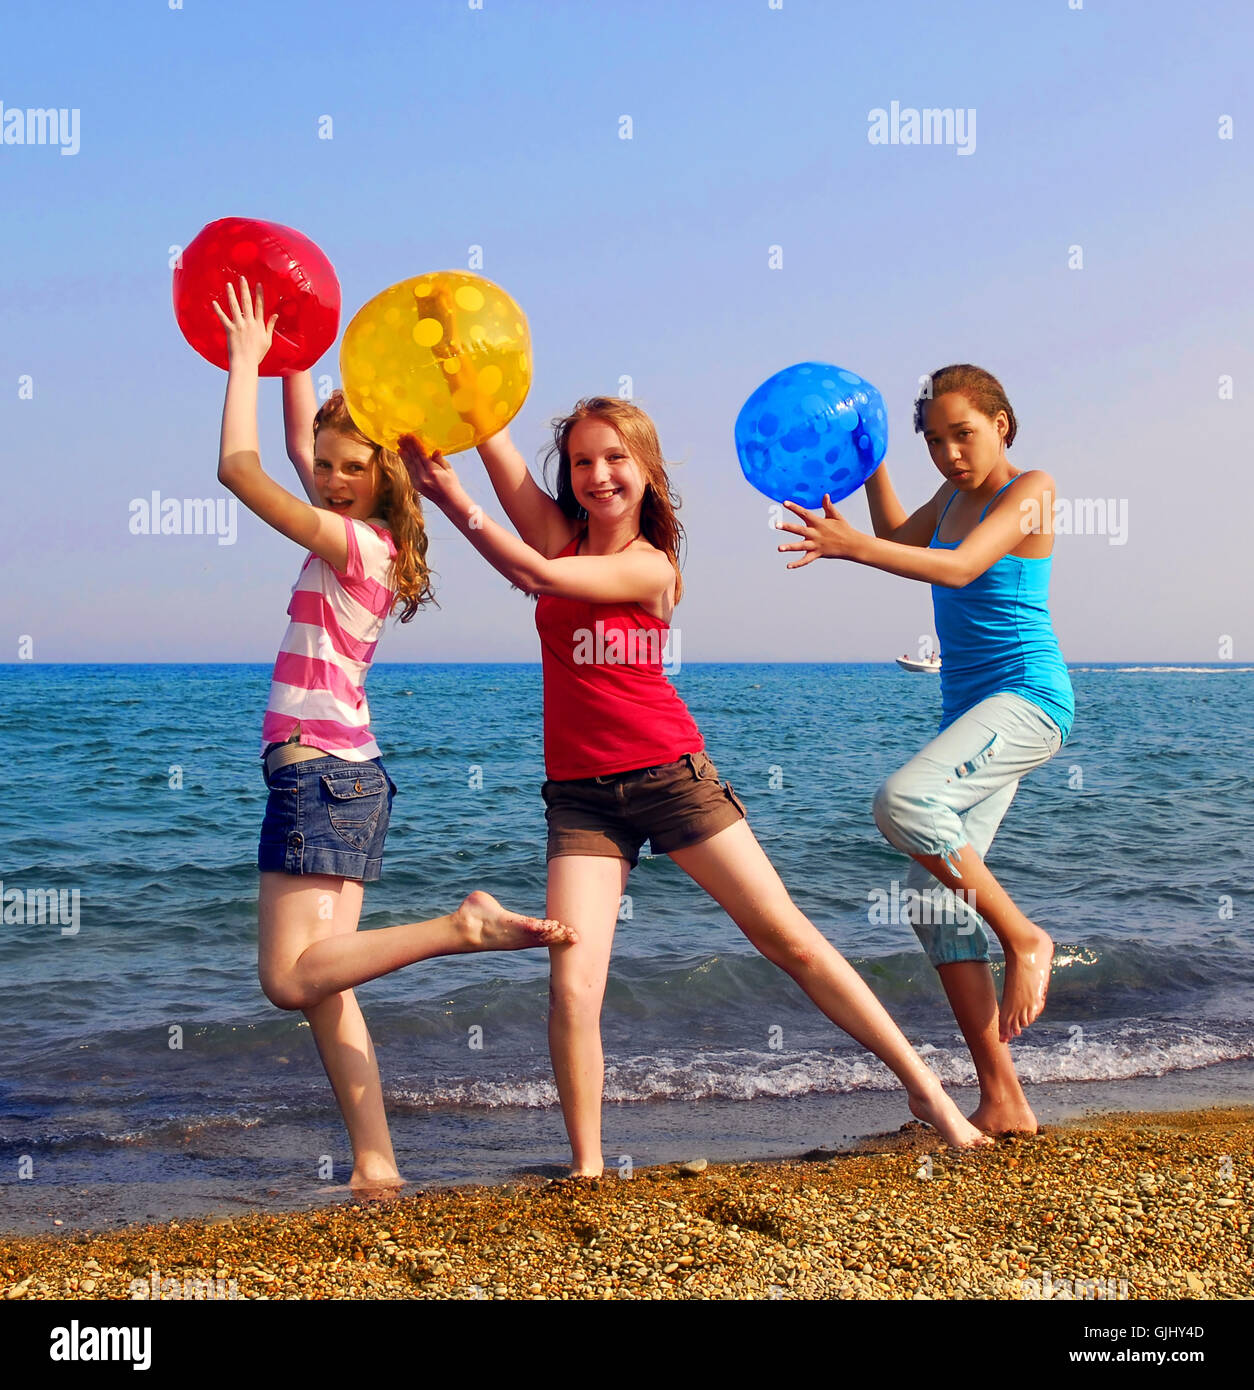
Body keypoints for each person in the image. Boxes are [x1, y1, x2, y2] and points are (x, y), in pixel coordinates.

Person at [397, 398, 990, 1176]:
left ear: (646, 470)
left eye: (615, 458)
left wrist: (450, 499)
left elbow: (531, 572)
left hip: (670, 775)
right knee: (573, 986)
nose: (598, 474)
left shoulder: (650, 564)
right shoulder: (560, 531)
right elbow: (493, 443)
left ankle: (930, 1095)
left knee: (791, 942)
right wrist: (463, 390)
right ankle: (587, 1167)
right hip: (580, 797)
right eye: (581, 462)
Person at [211, 277, 573, 1193]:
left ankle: (462, 926)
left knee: (288, 982)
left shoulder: (354, 543)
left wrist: (245, 363)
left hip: (320, 775)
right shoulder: (372, 535)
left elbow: (241, 471)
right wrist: (295, 355)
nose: (328, 479)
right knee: (326, 985)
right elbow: (297, 445)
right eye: (326, 468)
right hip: (349, 776)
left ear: (384, 476)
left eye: (346, 468)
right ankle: (376, 1163)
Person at [776, 363, 1074, 1134]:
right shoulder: (949, 496)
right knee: (932, 900)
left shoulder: (1030, 488)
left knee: (903, 801)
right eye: (934, 442)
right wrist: (872, 459)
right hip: (970, 714)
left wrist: (849, 549)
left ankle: (1024, 936)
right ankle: (1003, 1097)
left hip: (1028, 702)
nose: (948, 454)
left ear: (1001, 423)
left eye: (962, 434)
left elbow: (959, 565)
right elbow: (897, 538)